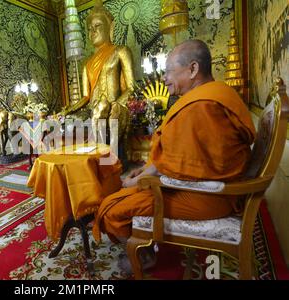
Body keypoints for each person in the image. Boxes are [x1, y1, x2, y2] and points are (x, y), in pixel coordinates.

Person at [92, 39, 256, 270]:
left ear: (193, 69)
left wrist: (139, 181)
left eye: (169, 71)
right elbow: (184, 155)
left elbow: (180, 163)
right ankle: (145, 245)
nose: (163, 78)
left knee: (112, 209)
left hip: (207, 197)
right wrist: (148, 170)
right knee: (122, 196)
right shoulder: (212, 94)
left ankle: (144, 256)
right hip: (207, 186)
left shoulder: (202, 105)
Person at [63, 0, 135, 148]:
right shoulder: (87, 64)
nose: (92, 32)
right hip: (93, 108)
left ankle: (103, 154)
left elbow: (131, 87)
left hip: (113, 105)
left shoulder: (121, 51)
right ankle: (81, 154)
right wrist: (70, 109)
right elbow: (86, 97)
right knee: (66, 120)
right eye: (89, 29)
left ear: (110, 27)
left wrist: (116, 104)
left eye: (97, 26)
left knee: (103, 108)